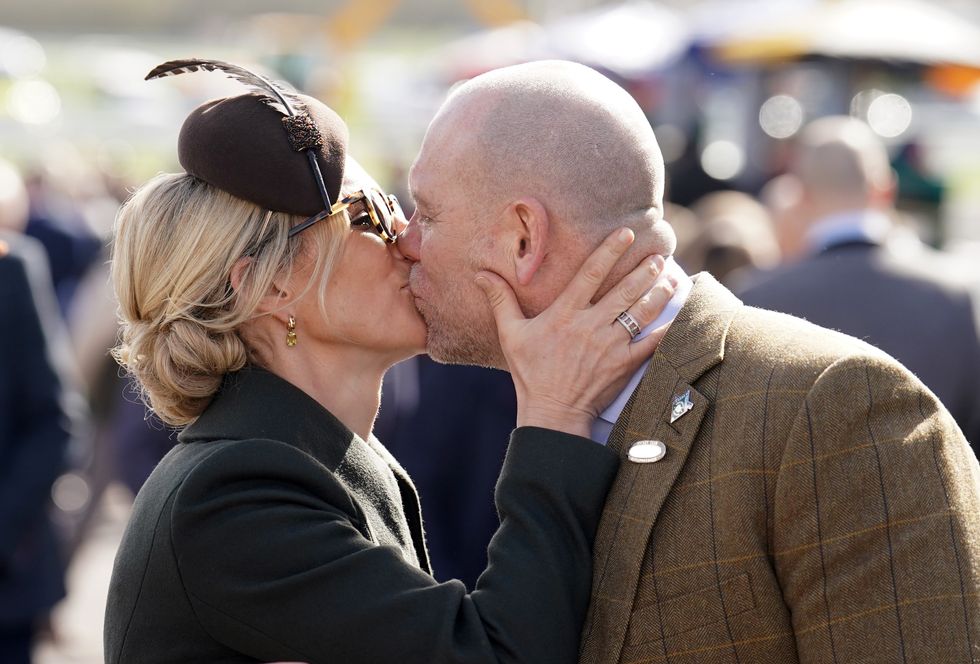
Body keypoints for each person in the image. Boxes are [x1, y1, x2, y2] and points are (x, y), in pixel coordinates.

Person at [399, 60, 980, 663]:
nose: (406, 242)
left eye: (428, 213)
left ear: (524, 237)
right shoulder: (531, 401)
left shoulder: (839, 408)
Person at [103, 60, 677, 664]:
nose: (407, 238)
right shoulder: (233, 496)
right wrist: (554, 418)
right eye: (367, 215)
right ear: (269, 285)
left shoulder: (315, 455)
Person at [736, 116, 980, 453]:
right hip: (934, 499)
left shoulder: (756, 297)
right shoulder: (953, 294)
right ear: (886, 189)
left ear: (801, 196)